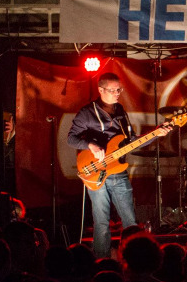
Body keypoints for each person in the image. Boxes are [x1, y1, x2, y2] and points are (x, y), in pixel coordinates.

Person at [67, 72, 171, 258]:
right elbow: (71, 138)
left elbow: (131, 141)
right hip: (95, 171)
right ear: (101, 90)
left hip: (118, 170)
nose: (117, 93)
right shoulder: (87, 112)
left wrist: (156, 133)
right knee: (101, 222)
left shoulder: (120, 111)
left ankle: (135, 258)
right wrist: (90, 145)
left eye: (119, 90)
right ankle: (102, 261)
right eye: (113, 90)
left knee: (130, 221)